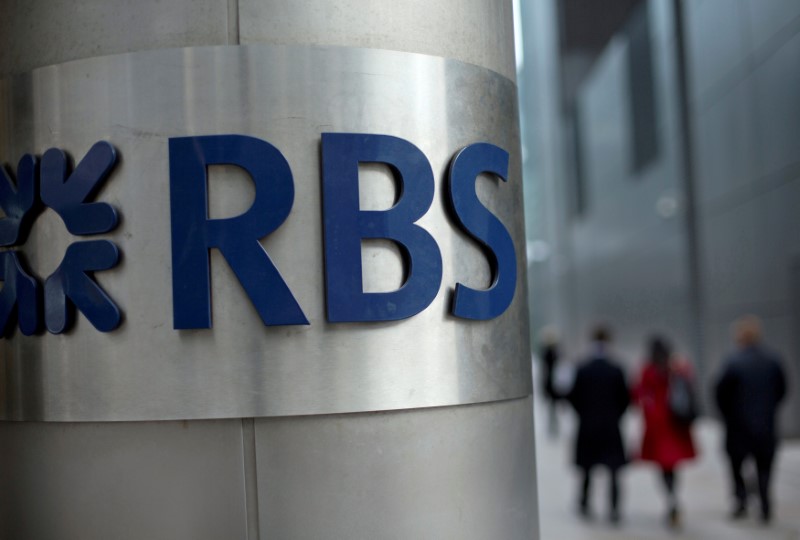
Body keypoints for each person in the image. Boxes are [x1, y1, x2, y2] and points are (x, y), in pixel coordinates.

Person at [714, 315, 787, 522]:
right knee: (764, 467)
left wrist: (728, 415)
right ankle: (765, 503)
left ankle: (741, 500)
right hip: (765, 424)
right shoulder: (773, 360)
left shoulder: (732, 362)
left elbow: (720, 393)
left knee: (736, 465)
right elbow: (782, 390)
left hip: (738, 426)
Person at [566, 325, 630, 523]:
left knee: (586, 468)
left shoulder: (583, 368)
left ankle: (584, 503)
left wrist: (584, 414)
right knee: (614, 471)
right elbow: (625, 398)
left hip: (588, 425)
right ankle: (614, 509)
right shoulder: (616, 369)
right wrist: (615, 415)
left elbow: (573, 396)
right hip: (611, 426)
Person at [633, 336, 696, 528]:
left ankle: (670, 497)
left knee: (663, 467)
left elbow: (638, 394)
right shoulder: (676, 366)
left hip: (657, 424)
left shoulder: (648, 369)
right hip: (675, 423)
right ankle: (673, 496)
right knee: (672, 466)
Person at [539, 326, 561, 437]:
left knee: (552, 408)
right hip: (552, 384)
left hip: (551, 384)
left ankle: (553, 428)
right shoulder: (551, 353)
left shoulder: (547, 353)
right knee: (552, 408)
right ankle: (553, 428)